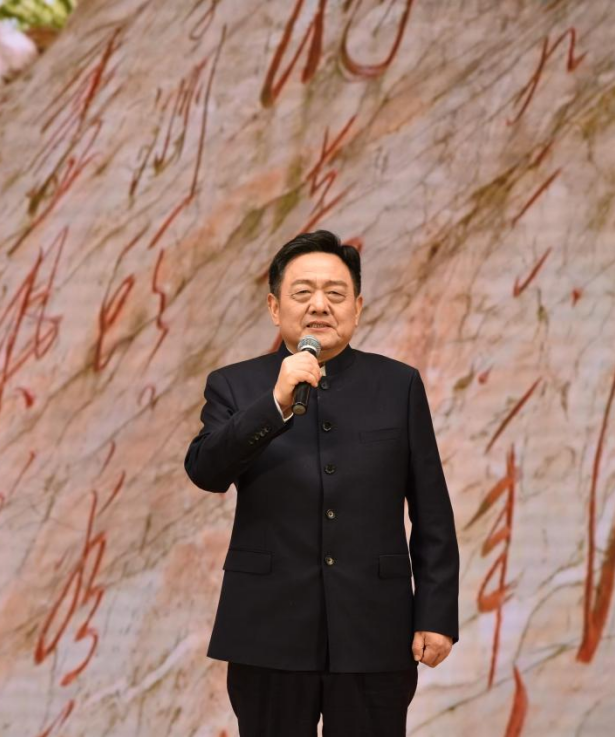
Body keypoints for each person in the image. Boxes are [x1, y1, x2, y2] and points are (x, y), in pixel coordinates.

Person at [184, 230, 460, 736]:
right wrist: (274, 404)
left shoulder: (397, 385)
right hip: (267, 630)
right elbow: (206, 470)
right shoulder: (235, 385)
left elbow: (432, 511)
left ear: (357, 307)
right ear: (274, 307)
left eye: (335, 293)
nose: (319, 305)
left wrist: (437, 613)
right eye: (302, 292)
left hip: (374, 628)